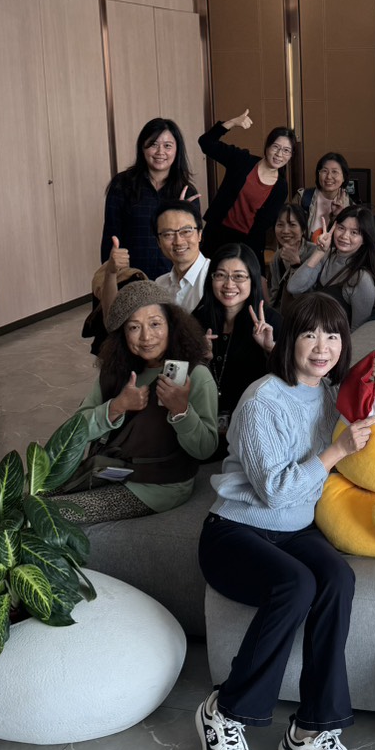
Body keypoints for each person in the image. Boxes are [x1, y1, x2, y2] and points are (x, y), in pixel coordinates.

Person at [195, 293, 373, 750]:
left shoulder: (329, 394)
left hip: (294, 532)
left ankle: (312, 732)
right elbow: (273, 491)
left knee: (337, 578)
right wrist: (336, 451)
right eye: (310, 334)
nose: (322, 347)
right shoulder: (262, 401)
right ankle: (225, 712)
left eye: (333, 335)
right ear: (290, 339)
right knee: (296, 584)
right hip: (234, 532)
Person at [68, 281, 218, 524]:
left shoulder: (195, 375)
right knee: (26, 494)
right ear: (123, 333)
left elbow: (205, 448)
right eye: (134, 327)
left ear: (172, 325)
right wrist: (117, 407)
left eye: (155, 324)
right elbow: (73, 432)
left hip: (160, 485)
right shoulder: (115, 371)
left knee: (54, 512)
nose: (146, 337)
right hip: (108, 470)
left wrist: (181, 411)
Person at [100, 119, 201, 279]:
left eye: (167, 146)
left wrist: (182, 215)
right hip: (131, 276)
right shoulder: (122, 185)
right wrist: (110, 275)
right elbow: (110, 236)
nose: (160, 152)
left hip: (172, 278)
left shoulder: (187, 192)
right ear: (142, 147)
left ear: (177, 149)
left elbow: (193, 243)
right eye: (153, 144)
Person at [200, 242, 280, 433]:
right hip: (205, 424)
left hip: (255, 425)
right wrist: (201, 361)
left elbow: (293, 380)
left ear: (253, 279)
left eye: (239, 276)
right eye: (220, 275)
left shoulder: (271, 322)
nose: (229, 284)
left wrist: (271, 349)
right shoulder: (197, 320)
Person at [198, 109, 295, 260]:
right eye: (276, 147)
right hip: (216, 234)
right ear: (267, 147)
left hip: (248, 245)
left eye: (286, 150)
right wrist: (231, 123)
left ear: (290, 155)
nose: (279, 154)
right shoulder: (242, 161)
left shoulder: (280, 187)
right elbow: (206, 143)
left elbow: (263, 225)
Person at [99, 198, 208, 326]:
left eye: (186, 231)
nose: (178, 241)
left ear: (199, 234)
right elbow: (114, 322)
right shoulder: (160, 284)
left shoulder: (215, 277)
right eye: (168, 234)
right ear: (158, 242)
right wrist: (111, 272)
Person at [286, 205, 375, 329]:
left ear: (364, 239)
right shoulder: (327, 255)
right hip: (311, 330)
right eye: (341, 228)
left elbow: (359, 330)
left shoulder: (361, 279)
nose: (344, 236)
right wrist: (319, 252)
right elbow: (294, 287)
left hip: (336, 339)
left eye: (354, 232)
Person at [297, 152, 353, 241]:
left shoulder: (351, 207)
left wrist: (337, 216)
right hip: (305, 249)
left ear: (344, 177)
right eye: (324, 171)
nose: (329, 177)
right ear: (318, 174)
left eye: (334, 172)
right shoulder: (303, 197)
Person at [267, 202, 310, 311]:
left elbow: (312, 298)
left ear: (303, 229)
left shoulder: (314, 254)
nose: (285, 231)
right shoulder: (277, 257)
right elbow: (275, 295)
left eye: (292, 225)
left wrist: (296, 265)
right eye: (280, 225)